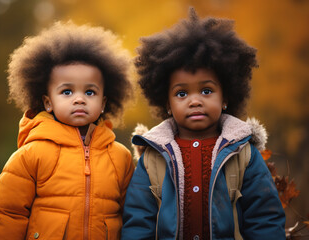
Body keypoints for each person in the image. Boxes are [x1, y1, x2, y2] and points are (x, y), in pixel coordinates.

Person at [121, 8, 285, 240]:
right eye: (181, 93)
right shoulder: (152, 159)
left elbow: (264, 219)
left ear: (225, 97)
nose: (195, 100)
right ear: (166, 103)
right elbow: (138, 221)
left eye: (206, 91)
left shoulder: (243, 155)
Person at [0, 21, 135, 240]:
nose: (79, 99)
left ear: (103, 103)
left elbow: (132, 216)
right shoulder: (31, 154)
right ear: (48, 102)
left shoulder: (120, 157)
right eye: (66, 91)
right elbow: (8, 215)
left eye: (90, 92)